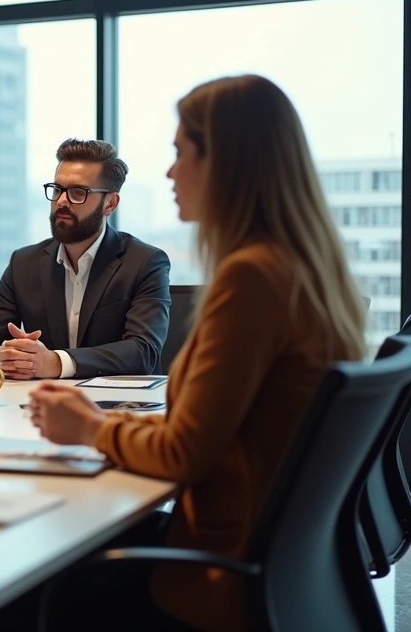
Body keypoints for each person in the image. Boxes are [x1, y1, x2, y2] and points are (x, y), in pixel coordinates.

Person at [26, 75, 367, 631]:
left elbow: (185, 451)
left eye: (182, 153)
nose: (169, 173)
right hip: (286, 569)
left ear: (228, 163)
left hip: (217, 577)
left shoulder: (252, 279)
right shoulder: (305, 272)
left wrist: (89, 427)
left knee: (17, 587)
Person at [0, 139, 172, 379]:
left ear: (110, 203)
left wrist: (56, 363)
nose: (61, 201)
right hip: (40, 404)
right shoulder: (24, 263)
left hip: (117, 408)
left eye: (78, 192)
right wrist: (0, 357)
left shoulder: (144, 263)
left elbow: (143, 351)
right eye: (57, 189)